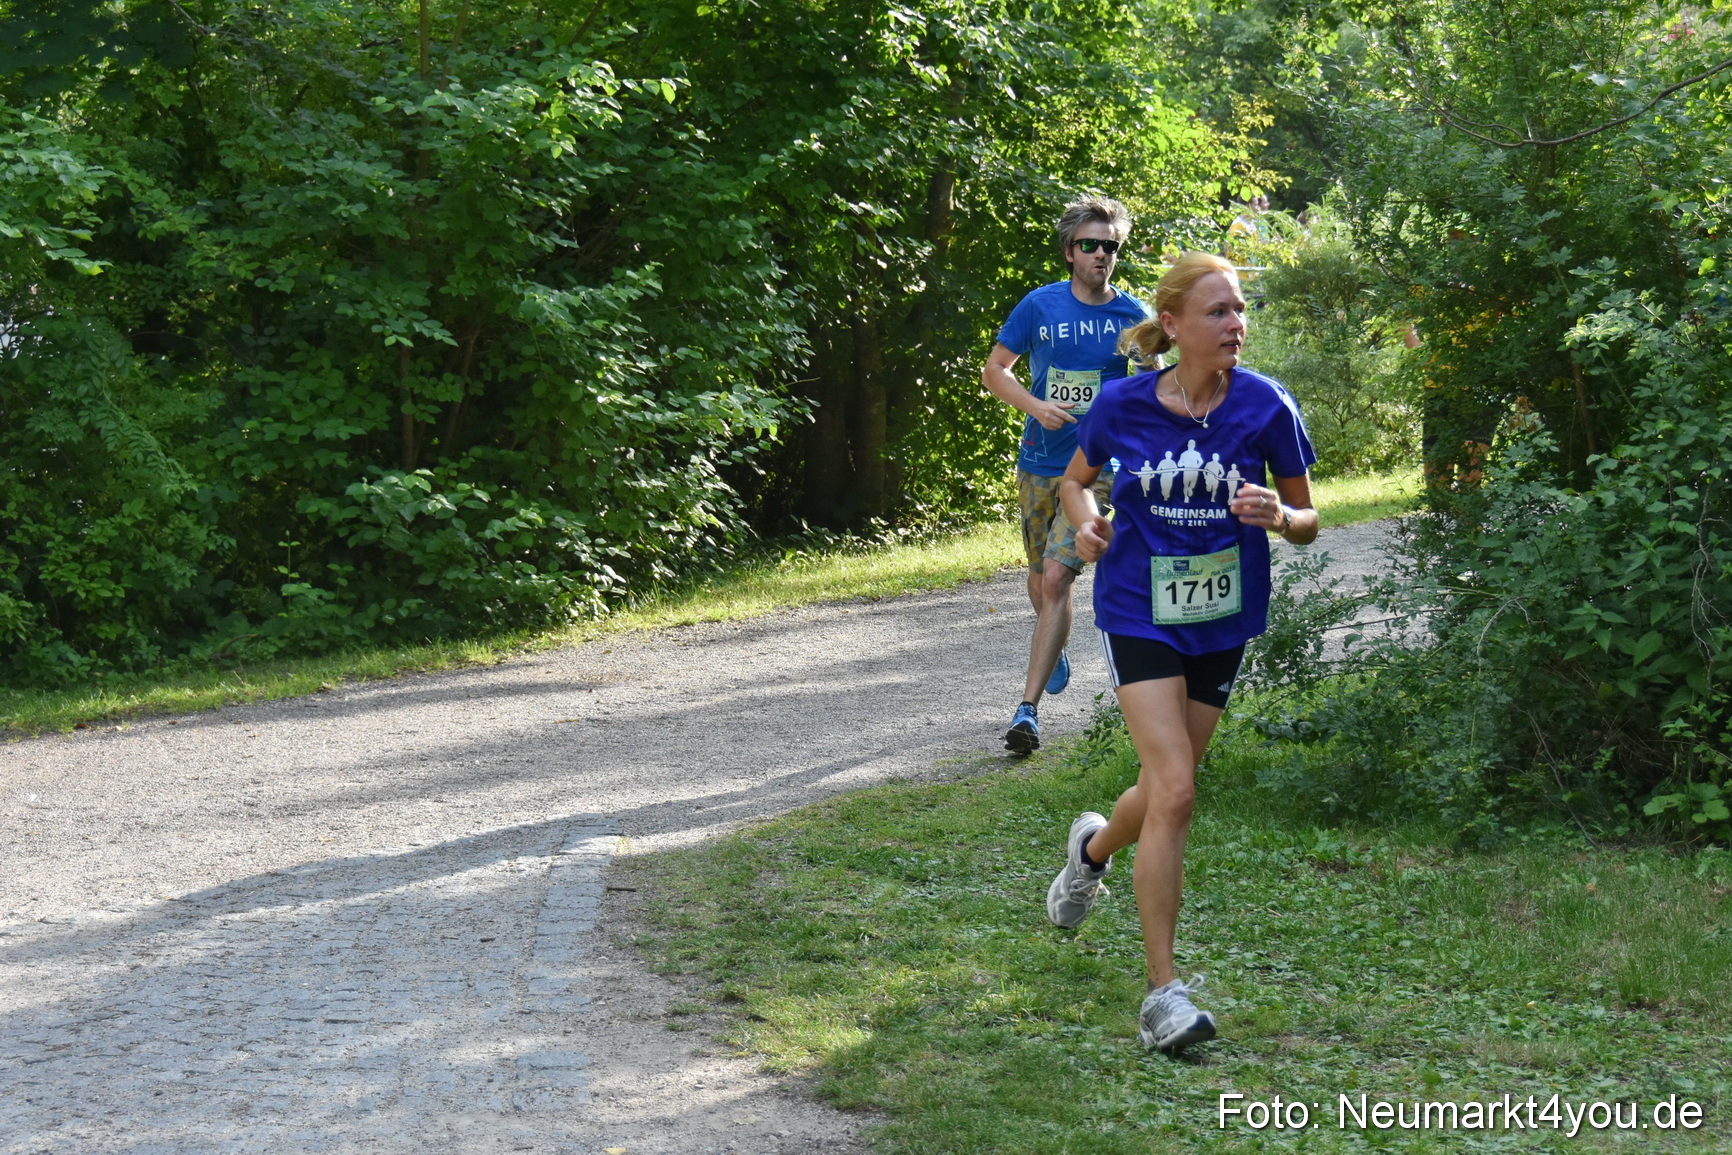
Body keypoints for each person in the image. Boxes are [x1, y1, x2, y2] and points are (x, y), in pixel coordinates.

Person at [1044, 251, 1319, 1053]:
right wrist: (1087, 519)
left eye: (1239, 310)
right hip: (1137, 607)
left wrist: (1280, 515)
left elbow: (1309, 518)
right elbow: (1075, 478)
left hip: (1222, 618)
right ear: (1173, 324)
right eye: (1219, 312)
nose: (1236, 324)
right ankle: (1163, 995)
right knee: (1177, 793)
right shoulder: (1125, 404)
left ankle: (1091, 849)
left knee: (1167, 789)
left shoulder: (1267, 404)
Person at [982, 195, 1150, 754]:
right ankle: (1051, 644)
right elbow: (994, 372)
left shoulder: (1133, 316)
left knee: (1057, 578)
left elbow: (1156, 383)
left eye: (1111, 246)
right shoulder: (1039, 306)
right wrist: (1035, 406)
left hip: (1099, 468)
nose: (1102, 254)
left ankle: (1026, 712)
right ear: (1070, 252)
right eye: (1091, 245)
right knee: (1038, 577)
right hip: (1039, 461)